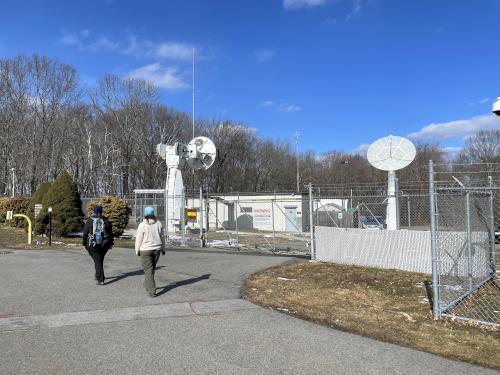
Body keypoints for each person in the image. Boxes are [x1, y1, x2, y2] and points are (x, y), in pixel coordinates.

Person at [135, 206, 165, 297]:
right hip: (157, 249)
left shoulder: (142, 225)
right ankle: (147, 283)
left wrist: (137, 250)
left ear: (145, 214)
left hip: (145, 250)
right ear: (153, 213)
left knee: (148, 270)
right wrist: (163, 248)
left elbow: (139, 239)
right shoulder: (158, 223)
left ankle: (152, 291)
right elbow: (162, 237)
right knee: (151, 269)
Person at [83, 205, 113, 285]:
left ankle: (100, 279)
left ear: (94, 211)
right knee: (99, 260)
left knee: (98, 261)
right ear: (101, 211)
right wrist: (111, 243)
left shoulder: (90, 221)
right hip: (105, 244)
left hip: (93, 245)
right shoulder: (106, 221)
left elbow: (85, 233)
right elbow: (110, 233)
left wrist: (84, 243)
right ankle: (98, 275)